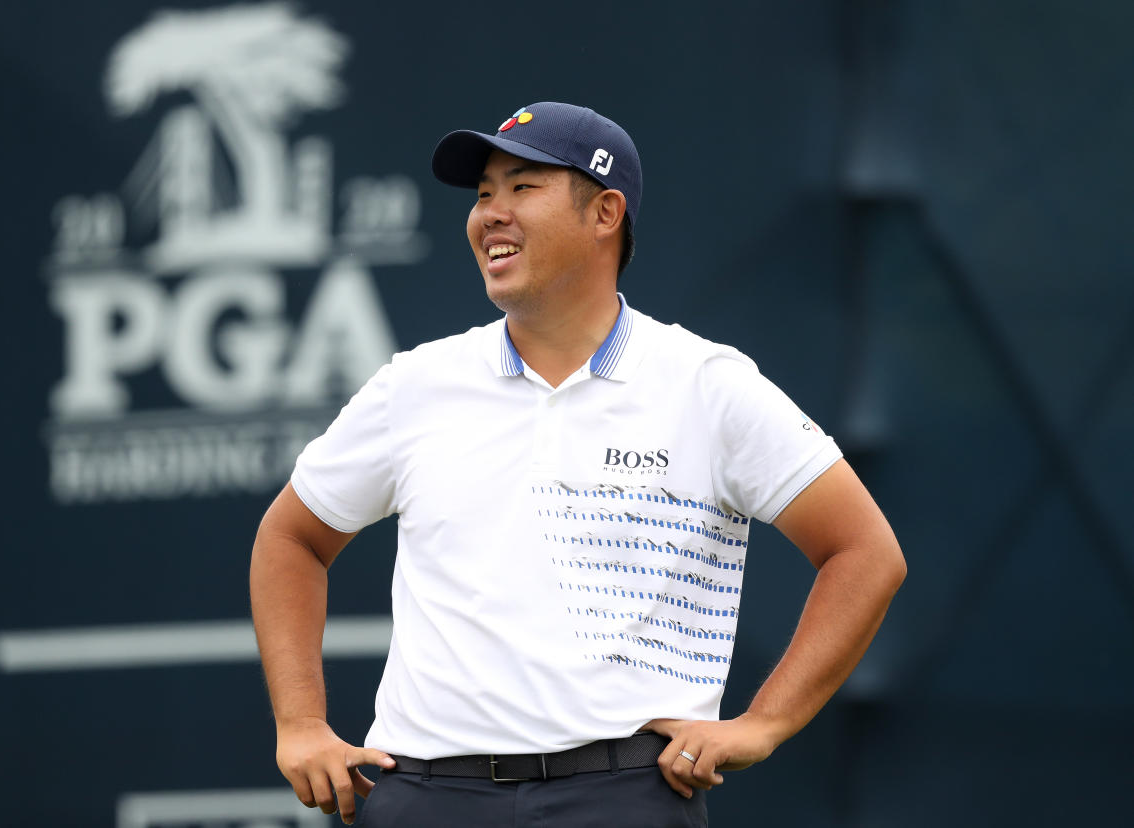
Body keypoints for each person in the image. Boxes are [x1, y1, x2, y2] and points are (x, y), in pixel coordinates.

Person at [250, 102, 905, 827]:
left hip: (621, 794)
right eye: (482, 195)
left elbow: (865, 553)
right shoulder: (415, 384)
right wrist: (301, 723)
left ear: (605, 213)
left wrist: (766, 723)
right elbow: (291, 538)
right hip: (424, 796)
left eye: (522, 187)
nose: (490, 214)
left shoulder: (705, 384)